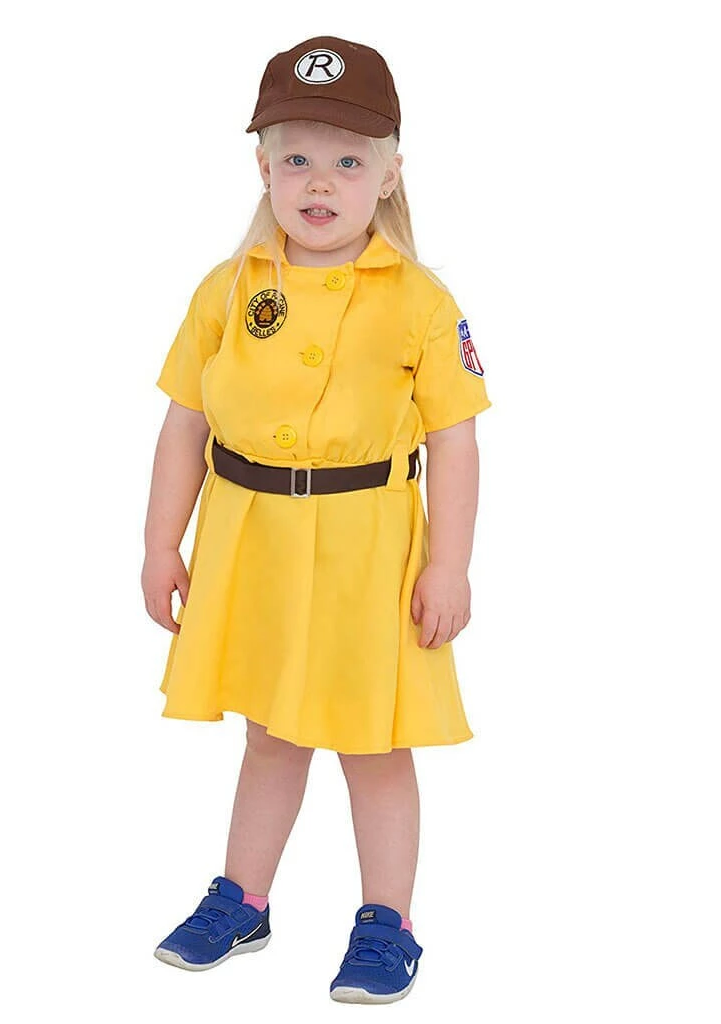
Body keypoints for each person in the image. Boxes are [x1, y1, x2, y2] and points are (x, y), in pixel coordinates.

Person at [142, 35, 492, 1004]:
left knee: (373, 744)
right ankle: (242, 898)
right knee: (269, 733)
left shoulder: (421, 301)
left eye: (347, 160)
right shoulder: (228, 289)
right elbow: (184, 424)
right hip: (251, 543)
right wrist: (160, 542)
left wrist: (450, 565)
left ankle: (387, 922)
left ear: (390, 174)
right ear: (263, 169)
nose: (320, 182)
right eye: (296, 157)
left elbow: (456, 441)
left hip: (368, 553)